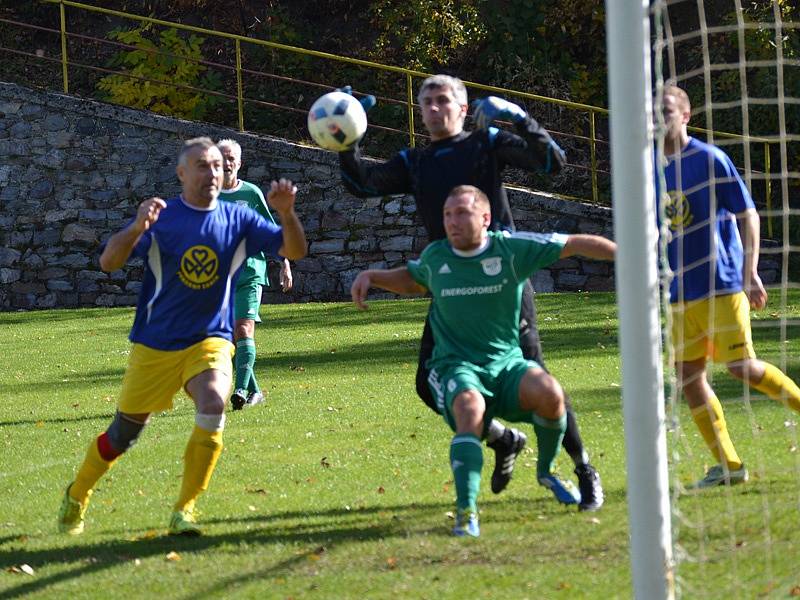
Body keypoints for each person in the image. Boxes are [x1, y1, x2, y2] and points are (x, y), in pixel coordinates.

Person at [339, 74, 604, 510]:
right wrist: (348, 139)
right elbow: (364, 183)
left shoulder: (487, 143)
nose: (434, 108)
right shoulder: (416, 161)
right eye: (426, 102)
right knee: (430, 384)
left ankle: (582, 468)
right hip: (451, 286)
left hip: (503, 284)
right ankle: (501, 438)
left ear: (463, 108)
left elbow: (553, 163)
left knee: (539, 377)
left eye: (443, 100)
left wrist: (519, 117)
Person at [57, 137, 307, 536]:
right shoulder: (163, 218)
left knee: (212, 401)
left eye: (217, 166)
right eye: (202, 166)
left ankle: (185, 509)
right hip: (154, 345)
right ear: (181, 173)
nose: (213, 173)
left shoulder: (238, 219)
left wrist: (288, 214)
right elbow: (108, 261)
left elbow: (294, 248)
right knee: (122, 436)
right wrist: (137, 226)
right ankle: (78, 492)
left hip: (209, 339)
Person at [351, 185, 615, 536]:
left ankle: (546, 471)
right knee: (469, 410)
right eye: (447, 214)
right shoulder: (437, 256)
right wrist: (373, 277)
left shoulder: (512, 250)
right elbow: (415, 281)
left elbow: (574, 244)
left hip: (506, 363)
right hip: (456, 365)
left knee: (552, 395)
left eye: (461, 213)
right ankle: (466, 512)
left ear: (486, 218)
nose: (452, 221)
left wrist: (626, 254)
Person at [660, 86, 800, 488]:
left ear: (685, 116)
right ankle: (729, 465)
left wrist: (749, 271)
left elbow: (747, 213)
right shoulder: (651, 168)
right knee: (688, 378)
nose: (659, 117)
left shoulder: (709, 159)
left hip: (720, 282)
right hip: (679, 291)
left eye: (667, 110)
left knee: (741, 367)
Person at [217, 138, 294, 410]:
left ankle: (240, 388)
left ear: (239, 163)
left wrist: (284, 263)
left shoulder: (250, 194)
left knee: (243, 329)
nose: (226, 163)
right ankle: (255, 391)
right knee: (227, 338)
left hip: (250, 273)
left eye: (231, 159)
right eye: (222, 158)